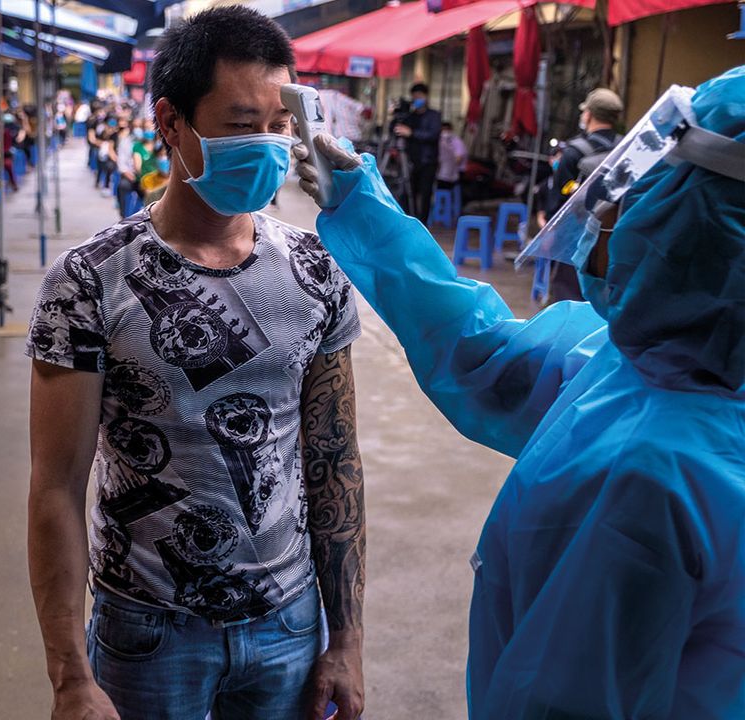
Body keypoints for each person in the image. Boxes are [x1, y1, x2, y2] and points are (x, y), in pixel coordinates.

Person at [292, 67, 745, 718]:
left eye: (649, 184)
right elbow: (484, 354)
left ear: (695, 226)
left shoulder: (661, 477)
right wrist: (361, 202)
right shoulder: (640, 364)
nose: (615, 209)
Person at [27, 7, 366, 720]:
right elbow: (56, 485)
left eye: (280, 126)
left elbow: (334, 460)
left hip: (289, 622)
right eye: (243, 126)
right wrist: (68, 676)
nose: (270, 147)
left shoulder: (315, 270)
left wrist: (347, 638)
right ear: (169, 123)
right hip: (146, 630)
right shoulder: (91, 281)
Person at [537, 88, 622, 302]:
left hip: (575, 237)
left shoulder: (573, 152)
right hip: (617, 235)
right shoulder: (626, 147)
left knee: (568, 296)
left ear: (589, 115)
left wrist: (547, 227)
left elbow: (560, 201)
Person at [393, 82, 442, 221]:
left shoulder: (434, 116)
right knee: (408, 194)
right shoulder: (410, 116)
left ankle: (423, 223)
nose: (417, 99)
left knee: (425, 194)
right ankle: (409, 220)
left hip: (428, 161)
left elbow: (433, 135)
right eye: (414, 97)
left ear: (426, 96)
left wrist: (412, 133)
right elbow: (395, 130)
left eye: (419, 96)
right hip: (410, 161)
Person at [112, 121, 138, 216]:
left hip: (145, 178)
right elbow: (121, 163)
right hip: (129, 175)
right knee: (123, 186)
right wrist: (129, 175)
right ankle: (124, 215)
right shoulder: (125, 142)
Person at [435, 121, 466, 196]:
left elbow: (458, 159)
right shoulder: (441, 141)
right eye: (443, 130)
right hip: (443, 172)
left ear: (451, 130)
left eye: (446, 129)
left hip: (456, 171)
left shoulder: (456, 141)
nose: (444, 132)